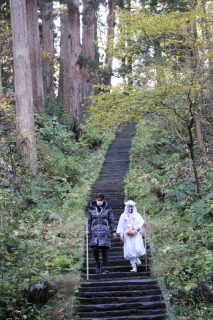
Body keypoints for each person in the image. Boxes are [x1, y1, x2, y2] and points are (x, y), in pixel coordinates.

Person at [86, 193, 117, 274]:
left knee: (105, 251)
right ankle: (97, 262)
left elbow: (112, 221)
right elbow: (88, 221)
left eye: (100, 200)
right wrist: (87, 229)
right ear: (95, 199)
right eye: (97, 200)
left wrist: (114, 231)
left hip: (105, 232)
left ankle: (105, 268)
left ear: (103, 200)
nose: (98, 201)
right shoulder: (91, 209)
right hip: (94, 232)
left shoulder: (108, 209)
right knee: (94, 249)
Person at [116, 200, 146, 272]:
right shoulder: (123, 216)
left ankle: (136, 258)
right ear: (126, 207)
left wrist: (143, 226)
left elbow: (141, 223)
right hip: (128, 235)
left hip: (136, 234)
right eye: (129, 206)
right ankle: (134, 267)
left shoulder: (137, 215)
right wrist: (121, 235)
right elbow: (121, 226)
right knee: (130, 250)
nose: (130, 207)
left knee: (137, 248)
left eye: (131, 206)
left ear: (134, 207)